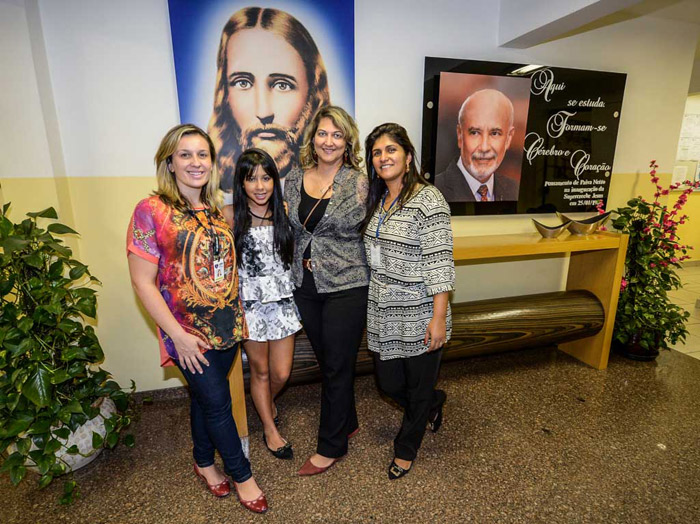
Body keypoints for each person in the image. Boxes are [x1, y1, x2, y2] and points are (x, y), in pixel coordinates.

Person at [127, 124, 267, 514]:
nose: (195, 162)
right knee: (219, 405)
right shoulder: (151, 210)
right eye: (185, 155)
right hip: (188, 335)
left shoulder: (216, 211)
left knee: (206, 399)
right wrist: (178, 337)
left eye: (202, 154)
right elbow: (142, 283)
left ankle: (203, 461)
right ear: (169, 162)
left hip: (227, 329)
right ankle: (243, 476)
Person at [363, 123, 455, 480]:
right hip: (384, 310)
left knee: (416, 387)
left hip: (420, 310)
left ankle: (406, 449)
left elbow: (440, 262)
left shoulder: (428, 199)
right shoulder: (379, 198)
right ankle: (433, 403)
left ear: (408, 156)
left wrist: (437, 317)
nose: (383, 157)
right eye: (376, 152)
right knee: (388, 384)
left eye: (391, 150)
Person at [284, 106, 369, 476]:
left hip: (347, 284)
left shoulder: (360, 182)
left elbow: (378, 226)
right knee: (330, 361)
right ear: (313, 139)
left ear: (347, 141)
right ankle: (347, 420)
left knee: (336, 365)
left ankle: (330, 445)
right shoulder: (292, 179)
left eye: (337, 135)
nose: (329, 141)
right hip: (304, 285)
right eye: (322, 134)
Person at [226, 147, 301, 460]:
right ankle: (270, 429)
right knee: (259, 371)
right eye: (251, 178)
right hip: (251, 305)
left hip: (282, 301)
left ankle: (265, 404)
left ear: (274, 180)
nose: (260, 185)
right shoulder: (231, 216)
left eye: (266, 177)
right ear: (241, 184)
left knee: (281, 373)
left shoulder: (282, 209)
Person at [208, 6, 330, 193]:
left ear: (313, 93)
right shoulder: (215, 199)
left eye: (282, 85)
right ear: (224, 94)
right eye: (243, 83)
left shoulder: (329, 189)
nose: (264, 113)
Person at [435, 88, 519, 202]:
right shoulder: (434, 191)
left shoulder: (515, 191)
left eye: (495, 133)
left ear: (509, 138)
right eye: (474, 133)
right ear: (460, 135)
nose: (484, 148)